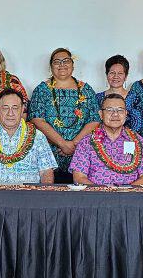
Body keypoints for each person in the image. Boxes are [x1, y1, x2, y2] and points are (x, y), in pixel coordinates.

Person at [30, 48, 101, 183]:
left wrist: (73, 144)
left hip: (80, 153)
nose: (62, 65)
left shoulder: (86, 90)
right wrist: (62, 143)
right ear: (51, 67)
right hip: (49, 155)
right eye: (57, 62)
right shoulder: (41, 90)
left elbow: (94, 120)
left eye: (66, 61)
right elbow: (37, 120)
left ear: (73, 65)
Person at [0, 89, 57, 184]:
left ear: (22, 110)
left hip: (28, 196)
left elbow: (46, 172)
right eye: (5, 108)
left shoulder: (37, 136)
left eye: (15, 108)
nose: (10, 113)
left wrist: (44, 196)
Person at [69, 94, 143, 185]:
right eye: (109, 110)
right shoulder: (87, 142)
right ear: (101, 114)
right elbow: (79, 177)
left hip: (130, 196)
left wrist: (125, 193)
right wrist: (102, 194)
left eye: (120, 110)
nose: (115, 114)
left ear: (126, 114)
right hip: (96, 196)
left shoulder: (138, 141)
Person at [94, 54, 142, 131]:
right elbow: (94, 123)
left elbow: (137, 125)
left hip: (129, 140)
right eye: (112, 73)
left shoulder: (134, 98)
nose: (116, 76)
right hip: (101, 139)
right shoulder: (97, 98)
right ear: (107, 75)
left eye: (120, 73)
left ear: (125, 76)